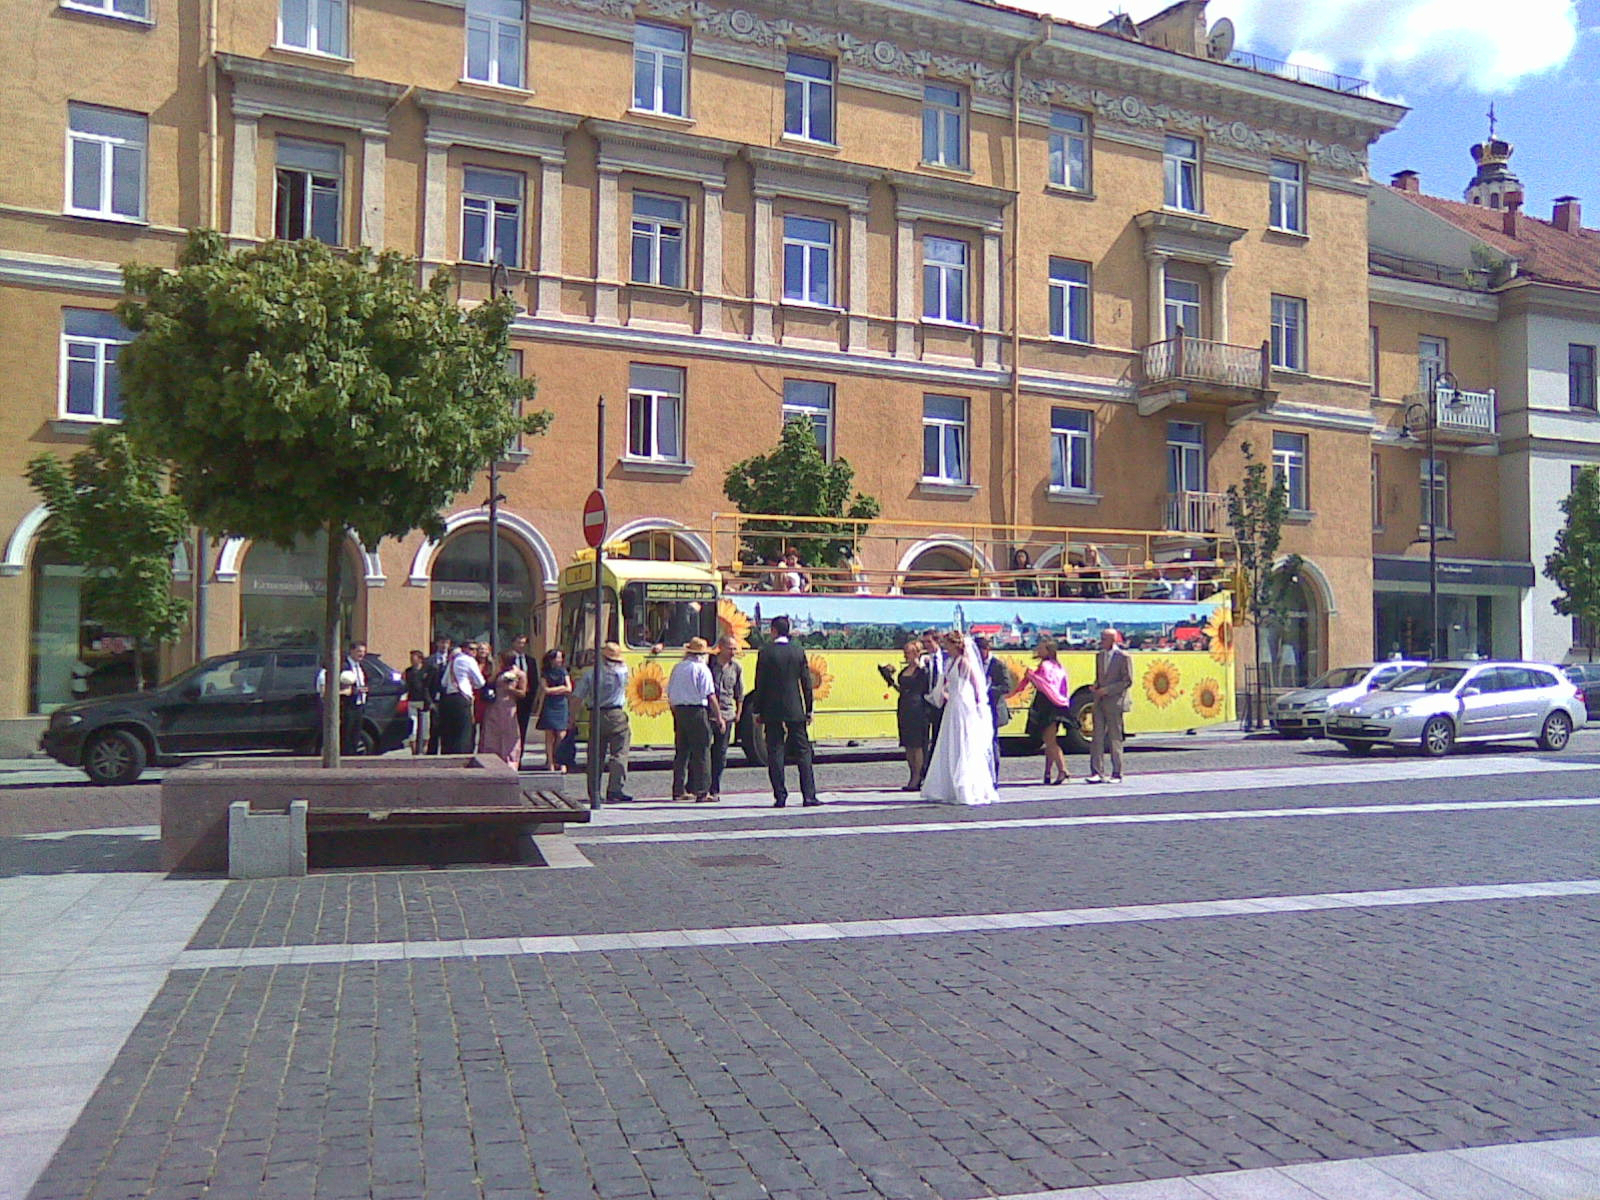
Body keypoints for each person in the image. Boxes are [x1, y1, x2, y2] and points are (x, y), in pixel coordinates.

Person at [920, 631, 998, 806]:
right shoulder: (950, 662)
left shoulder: (964, 662)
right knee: (950, 741)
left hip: (963, 704)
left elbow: (976, 685)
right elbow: (948, 683)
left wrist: (978, 705)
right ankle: (948, 785)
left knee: (964, 742)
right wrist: (943, 693)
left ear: (955, 645)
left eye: (948, 644)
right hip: (953, 704)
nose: (945, 647)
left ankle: (966, 786)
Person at [750, 615, 818, 807]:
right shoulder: (797, 651)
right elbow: (806, 683)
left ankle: (780, 796)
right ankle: (809, 795)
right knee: (803, 752)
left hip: (772, 709)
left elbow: (760, 683)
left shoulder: (765, 652)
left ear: (773, 630)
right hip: (795, 708)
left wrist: (757, 709)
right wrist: (809, 708)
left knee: (775, 751)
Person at [570, 642, 633, 802]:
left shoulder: (590, 674)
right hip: (616, 714)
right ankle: (615, 789)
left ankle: (594, 792)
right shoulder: (623, 671)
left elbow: (577, 697)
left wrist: (571, 718)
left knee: (595, 756)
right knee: (619, 753)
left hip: (596, 714)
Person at [667, 637, 721, 802]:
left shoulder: (678, 668)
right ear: (703, 654)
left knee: (681, 752)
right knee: (702, 751)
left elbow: (670, 693)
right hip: (697, 711)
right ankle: (702, 791)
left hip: (680, 711)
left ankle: (678, 790)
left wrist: (675, 712)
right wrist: (719, 716)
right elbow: (710, 695)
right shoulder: (702, 669)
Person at [1015, 638, 1071, 785]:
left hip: (1048, 705)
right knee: (1049, 740)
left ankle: (1063, 770)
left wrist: (1031, 676)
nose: (1038, 650)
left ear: (1048, 651)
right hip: (1057, 705)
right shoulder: (1057, 666)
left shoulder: (1046, 666)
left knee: (1050, 741)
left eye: (1041, 648)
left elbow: (1044, 685)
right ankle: (1047, 772)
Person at [878, 639, 930, 791]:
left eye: (908, 652)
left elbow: (924, 688)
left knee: (917, 744)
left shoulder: (922, 670)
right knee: (908, 744)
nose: (905, 655)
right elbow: (902, 689)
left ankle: (918, 777)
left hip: (918, 708)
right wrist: (889, 679)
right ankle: (912, 773)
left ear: (916, 653)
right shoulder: (905, 670)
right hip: (905, 707)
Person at [1087, 627, 1133, 784]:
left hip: (1115, 702)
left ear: (1113, 640)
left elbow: (1127, 681)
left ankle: (1117, 773)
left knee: (1115, 738)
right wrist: (1096, 686)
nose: (1101, 641)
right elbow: (1099, 677)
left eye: (1104, 638)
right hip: (1099, 701)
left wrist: (1107, 690)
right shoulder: (1099, 656)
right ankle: (1096, 772)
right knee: (1096, 737)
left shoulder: (1123, 656)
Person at [316, 641, 369, 755]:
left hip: (359, 705)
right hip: (347, 705)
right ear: (352, 651)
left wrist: (364, 689)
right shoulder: (344, 666)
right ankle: (345, 756)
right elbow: (338, 687)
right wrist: (354, 690)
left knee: (356, 733)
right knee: (346, 733)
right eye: (359, 651)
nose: (362, 654)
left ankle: (353, 756)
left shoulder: (360, 667)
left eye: (363, 651)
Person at [478, 649, 528, 768]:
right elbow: (488, 683)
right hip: (494, 705)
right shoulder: (499, 672)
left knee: (509, 733)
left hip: (508, 706)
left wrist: (511, 689)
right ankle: (491, 757)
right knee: (492, 732)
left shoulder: (520, 674)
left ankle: (510, 759)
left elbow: (523, 693)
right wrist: (496, 673)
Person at [708, 635, 744, 802]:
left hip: (727, 713)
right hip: (709, 714)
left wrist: (738, 713)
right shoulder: (709, 664)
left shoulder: (736, 667)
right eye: (730, 648)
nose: (733, 652)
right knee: (704, 752)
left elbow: (739, 692)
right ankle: (699, 786)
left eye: (735, 648)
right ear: (721, 647)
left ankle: (715, 788)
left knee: (721, 753)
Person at [974, 636, 1012, 786]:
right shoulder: (974, 664)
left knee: (992, 742)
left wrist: (988, 691)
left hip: (993, 709)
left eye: (980, 651)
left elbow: (1006, 686)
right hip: (977, 709)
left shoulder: (997, 665)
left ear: (986, 650)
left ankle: (994, 776)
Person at [438, 639, 483, 754]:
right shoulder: (469, 660)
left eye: (476, 649)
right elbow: (480, 682)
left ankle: (447, 756)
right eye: (471, 649)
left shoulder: (453, 661)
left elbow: (444, 682)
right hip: (462, 697)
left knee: (449, 732)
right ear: (464, 649)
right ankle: (461, 757)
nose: (474, 652)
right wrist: (471, 683)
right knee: (464, 732)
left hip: (449, 697)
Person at [534, 648, 573, 772]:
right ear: (551, 659)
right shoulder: (545, 673)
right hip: (549, 705)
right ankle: (550, 762)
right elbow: (546, 690)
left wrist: (556, 689)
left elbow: (569, 688)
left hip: (562, 704)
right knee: (549, 735)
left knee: (562, 734)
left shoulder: (564, 671)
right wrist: (561, 688)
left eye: (561, 657)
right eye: (557, 657)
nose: (560, 660)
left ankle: (560, 760)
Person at [920, 628, 949, 748]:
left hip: (944, 701)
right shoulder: (924, 658)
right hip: (928, 701)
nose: (926, 645)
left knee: (941, 736)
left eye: (929, 642)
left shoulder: (947, 657)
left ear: (937, 641)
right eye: (924, 642)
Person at [424, 635, 452, 754]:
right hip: (434, 698)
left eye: (446, 643)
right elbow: (425, 683)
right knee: (434, 729)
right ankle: (432, 753)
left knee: (447, 728)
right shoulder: (429, 660)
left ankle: (446, 752)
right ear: (437, 644)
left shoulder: (452, 659)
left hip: (448, 698)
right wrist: (429, 701)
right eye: (442, 642)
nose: (444, 645)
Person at [510, 634, 536, 749]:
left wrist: (533, 698)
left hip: (526, 699)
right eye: (519, 643)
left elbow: (534, 680)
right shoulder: (508, 659)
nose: (521, 646)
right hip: (511, 697)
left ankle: (520, 750)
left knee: (523, 726)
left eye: (524, 643)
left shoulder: (530, 661)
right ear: (513, 643)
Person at [403, 650, 430, 754]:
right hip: (412, 701)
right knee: (413, 727)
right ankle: (414, 751)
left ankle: (424, 748)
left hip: (424, 702)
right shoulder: (408, 671)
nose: (411, 661)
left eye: (413, 659)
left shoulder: (426, 671)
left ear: (420, 659)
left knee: (425, 727)